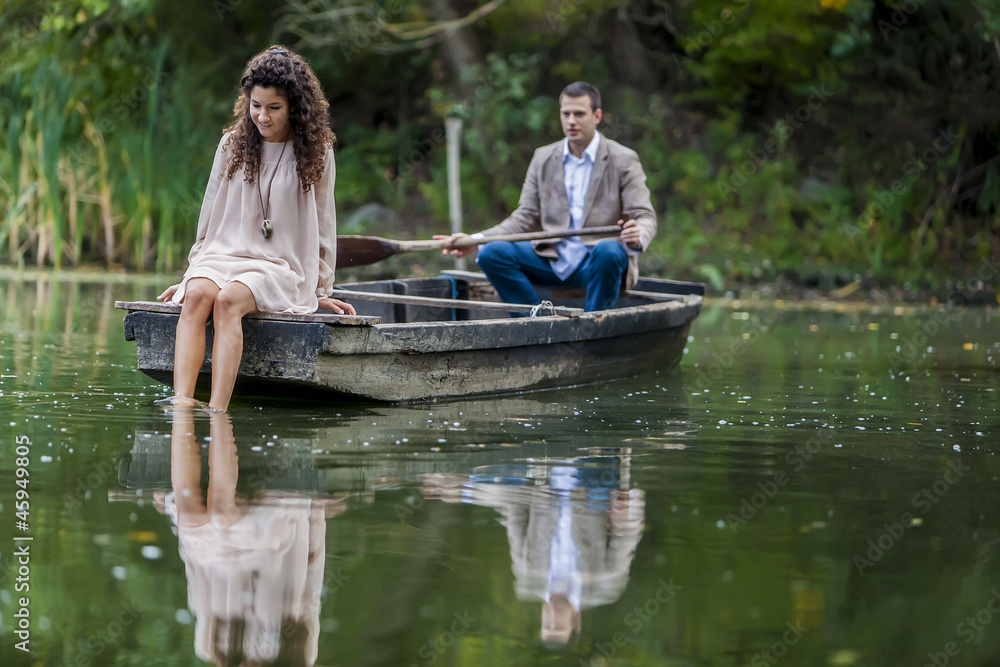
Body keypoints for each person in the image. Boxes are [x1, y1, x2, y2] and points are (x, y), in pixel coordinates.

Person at [158, 46, 355, 412]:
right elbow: (209, 214)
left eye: (273, 108)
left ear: (294, 106)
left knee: (228, 300)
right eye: (255, 105)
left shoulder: (315, 151)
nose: (262, 116)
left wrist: (318, 290)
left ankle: (217, 411)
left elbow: (325, 222)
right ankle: (183, 405)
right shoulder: (232, 144)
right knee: (198, 296)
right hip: (222, 254)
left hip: (278, 265)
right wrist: (193, 272)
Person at [436, 81, 657, 313]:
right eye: (566, 113)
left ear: (597, 116)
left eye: (579, 114)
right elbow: (525, 217)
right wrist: (476, 240)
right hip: (552, 259)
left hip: (596, 264)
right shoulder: (543, 157)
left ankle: (593, 329)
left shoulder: (623, 159)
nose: (571, 121)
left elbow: (644, 216)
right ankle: (534, 325)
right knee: (491, 253)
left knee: (609, 251)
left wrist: (637, 234)